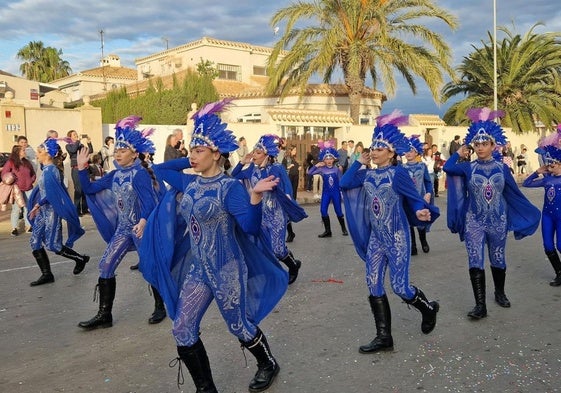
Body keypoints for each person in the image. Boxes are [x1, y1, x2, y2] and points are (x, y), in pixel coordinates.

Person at [139, 99, 287, 393]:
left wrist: (255, 198)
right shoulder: (190, 184)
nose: (191, 156)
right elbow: (159, 167)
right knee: (182, 328)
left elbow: (250, 227)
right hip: (199, 271)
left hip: (226, 268)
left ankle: (267, 363)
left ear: (217, 153)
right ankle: (206, 389)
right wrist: (193, 157)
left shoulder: (229, 188)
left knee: (239, 327)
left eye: (199, 150)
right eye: (191, 150)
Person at [340, 111, 440, 354]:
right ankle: (384, 337)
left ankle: (426, 308)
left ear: (392, 153)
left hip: (397, 237)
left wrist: (419, 212)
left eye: (379, 148)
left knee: (400, 287)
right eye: (372, 147)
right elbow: (344, 184)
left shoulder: (398, 173)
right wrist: (358, 162)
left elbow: (414, 199)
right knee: (373, 283)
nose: (374, 152)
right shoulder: (367, 174)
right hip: (377, 239)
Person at [443, 108, 541, 320]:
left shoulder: (502, 168)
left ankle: (500, 292)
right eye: (476, 144)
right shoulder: (467, 167)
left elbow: (513, 193)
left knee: (498, 258)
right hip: (474, 221)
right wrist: (457, 154)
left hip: (498, 221)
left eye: (484, 144)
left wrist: (524, 213)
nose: (480, 147)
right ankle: (480, 305)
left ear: (493, 145)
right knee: (475, 260)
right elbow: (448, 169)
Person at [76, 116, 166, 329]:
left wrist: (144, 221)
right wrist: (81, 168)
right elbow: (89, 189)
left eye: (123, 150)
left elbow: (149, 201)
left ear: (134, 153)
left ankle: (160, 306)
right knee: (105, 265)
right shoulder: (114, 175)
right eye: (116, 150)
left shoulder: (140, 175)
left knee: (149, 266)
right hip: (123, 229)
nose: (118, 153)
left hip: (141, 228)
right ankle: (104, 314)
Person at [232, 134, 307, 284]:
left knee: (278, 249)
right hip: (261, 213)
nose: (254, 155)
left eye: (258, 153)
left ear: (267, 155)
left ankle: (293, 266)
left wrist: (288, 203)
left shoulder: (276, 168)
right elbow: (234, 175)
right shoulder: (252, 169)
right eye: (254, 151)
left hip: (276, 212)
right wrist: (242, 162)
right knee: (265, 247)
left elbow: (286, 188)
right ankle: (274, 273)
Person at [27, 138, 90, 286]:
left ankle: (80, 259)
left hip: (51, 212)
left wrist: (37, 205)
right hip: (43, 211)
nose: (37, 154)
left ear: (47, 154)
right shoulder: (46, 169)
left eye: (39, 152)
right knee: (35, 242)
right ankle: (47, 274)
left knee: (54, 245)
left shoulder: (51, 171)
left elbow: (51, 195)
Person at [523, 126, 561, 286]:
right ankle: (559, 273)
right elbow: (526, 183)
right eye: (549, 165)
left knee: (560, 245)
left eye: (553, 165)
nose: (550, 167)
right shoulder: (547, 179)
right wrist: (537, 171)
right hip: (547, 215)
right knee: (547, 246)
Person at [307, 139, 348, 238]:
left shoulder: (337, 169)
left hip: (335, 193)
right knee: (323, 211)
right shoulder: (321, 169)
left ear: (334, 159)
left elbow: (341, 182)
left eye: (330, 158)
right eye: (326, 158)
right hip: (326, 193)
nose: (329, 160)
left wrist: (342, 193)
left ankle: (343, 228)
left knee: (338, 211)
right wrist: (316, 165)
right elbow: (309, 172)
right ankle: (328, 231)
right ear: (323, 160)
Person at [402, 135, 433, 255]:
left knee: (420, 222)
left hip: (420, 198)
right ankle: (412, 245)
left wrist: (429, 193)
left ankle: (423, 241)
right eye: (406, 151)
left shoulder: (422, 166)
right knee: (409, 222)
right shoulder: (401, 168)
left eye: (411, 151)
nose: (408, 153)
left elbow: (428, 182)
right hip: (407, 200)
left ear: (416, 152)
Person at [1, 145, 36, 235]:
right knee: (16, 209)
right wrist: (11, 180)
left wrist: (31, 180)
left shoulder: (27, 162)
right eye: (23, 150)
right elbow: (4, 173)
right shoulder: (10, 162)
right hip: (17, 190)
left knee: (28, 208)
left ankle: (29, 226)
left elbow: (33, 173)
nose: (25, 152)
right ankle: (14, 228)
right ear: (18, 152)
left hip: (28, 188)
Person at [66, 130, 93, 216]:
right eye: (74, 135)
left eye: (76, 134)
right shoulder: (69, 146)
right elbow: (73, 150)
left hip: (84, 169)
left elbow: (90, 151)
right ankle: (77, 210)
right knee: (78, 190)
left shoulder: (80, 145)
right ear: (70, 137)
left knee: (85, 188)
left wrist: (89, 142)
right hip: (76, 169)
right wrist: (78, 141)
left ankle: (85, 209)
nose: (76, 135)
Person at [282, 144, 300, 242]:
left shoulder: (294, 158)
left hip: (294, 179)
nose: (295, 152)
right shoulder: (285, 159)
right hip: (288, 180)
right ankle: (290, 233)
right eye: (294, 150)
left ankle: (290, 233)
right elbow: (283, 170)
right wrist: (289, 167)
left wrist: (298, 167)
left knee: (289, 205)